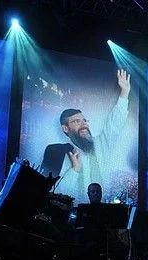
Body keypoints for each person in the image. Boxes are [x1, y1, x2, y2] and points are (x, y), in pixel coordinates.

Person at [42, 69, 131, 205]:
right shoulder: (57, 152)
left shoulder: (100, 144)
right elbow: (54, 194)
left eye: (84, 120)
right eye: (76, 122)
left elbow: (114, 124)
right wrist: (74, 170)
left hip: (102, 211)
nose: (83, 124)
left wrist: (124, 93)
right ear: (65, 128)